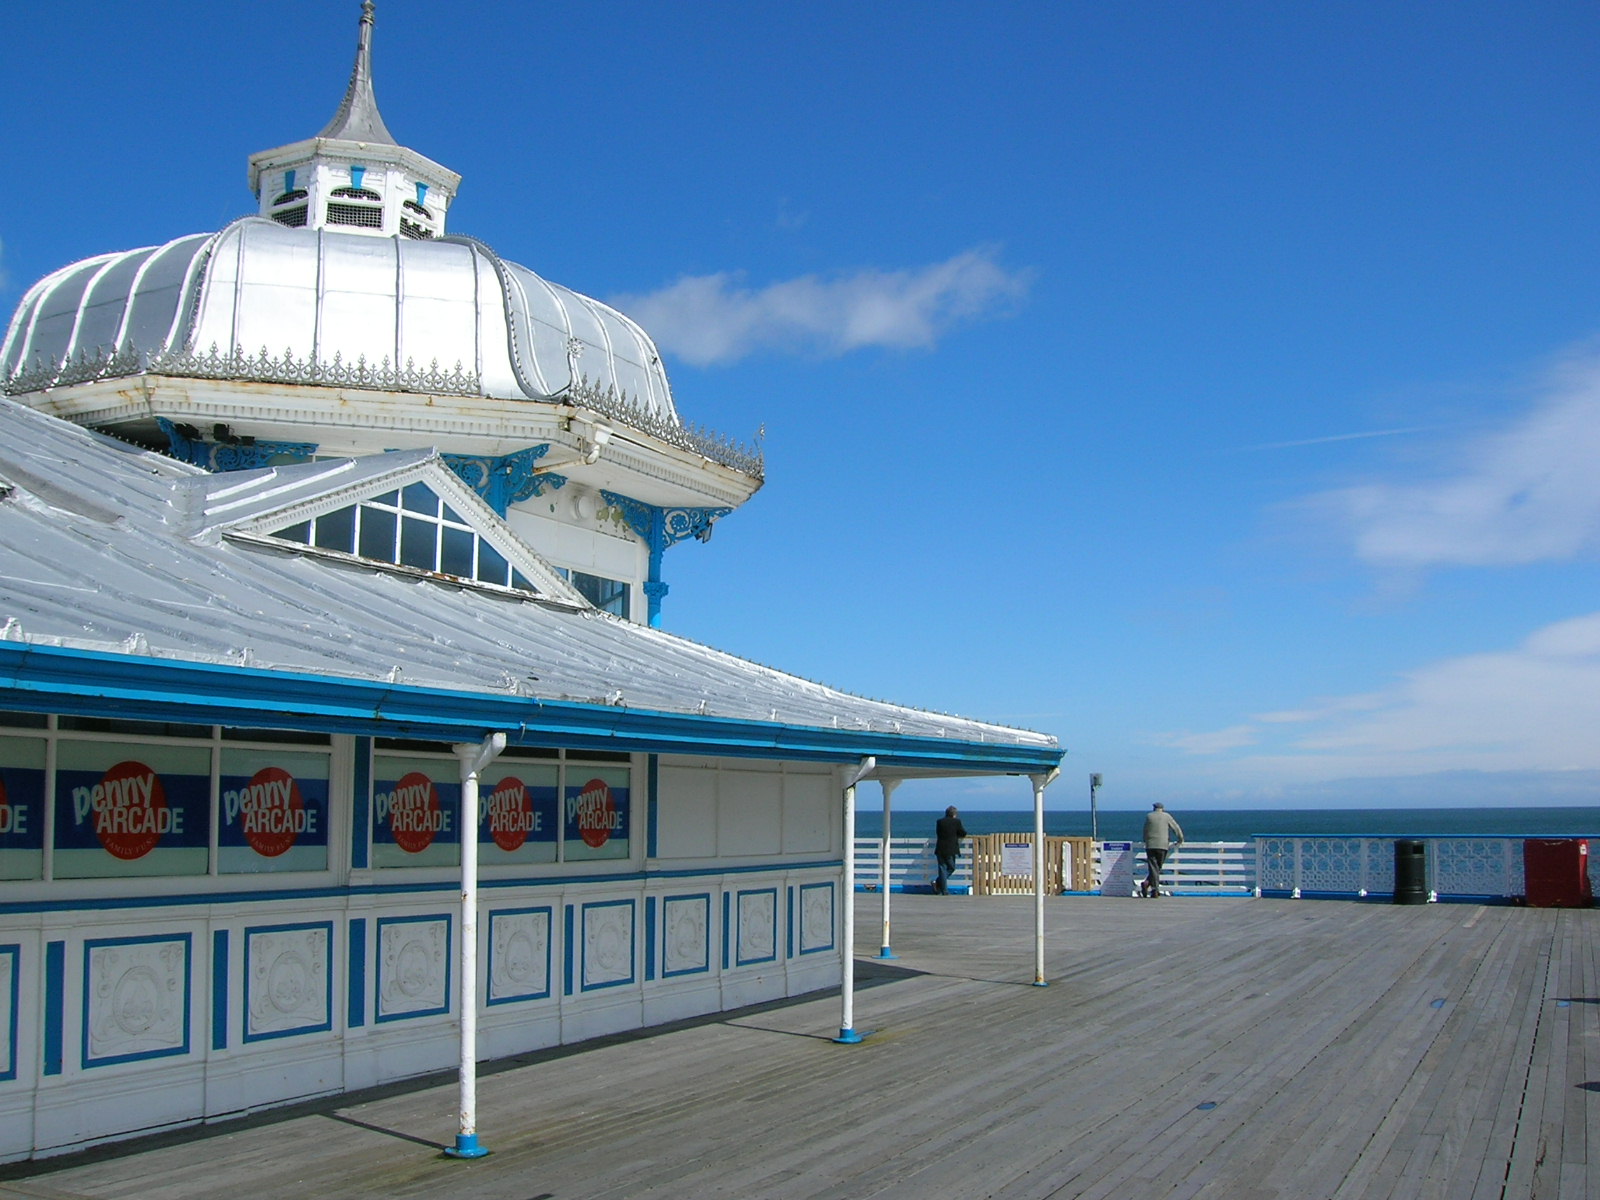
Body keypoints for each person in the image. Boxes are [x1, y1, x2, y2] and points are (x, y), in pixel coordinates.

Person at [1141, 802, 1184, 898]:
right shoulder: (1166, 816)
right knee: (1157, 867)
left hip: (1150, 845)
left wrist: (1145, 840)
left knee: (1153, 867)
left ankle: (1148, 884)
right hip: (1163, 846)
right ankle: (1154, 889)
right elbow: (1176, 828)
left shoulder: (1149, 816)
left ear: (1154, 808)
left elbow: (1145, 830)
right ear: (1162, 808)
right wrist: (1180, 839)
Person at [933, 805, 968, 895]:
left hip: (940, 848)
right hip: (950, 849)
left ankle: (942, 888)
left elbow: (938, 833)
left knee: (942, 868)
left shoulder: (939, 822)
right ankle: (939, 884)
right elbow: (963, 833)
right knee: (951, 868)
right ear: (954, 814)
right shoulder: (956, 822)